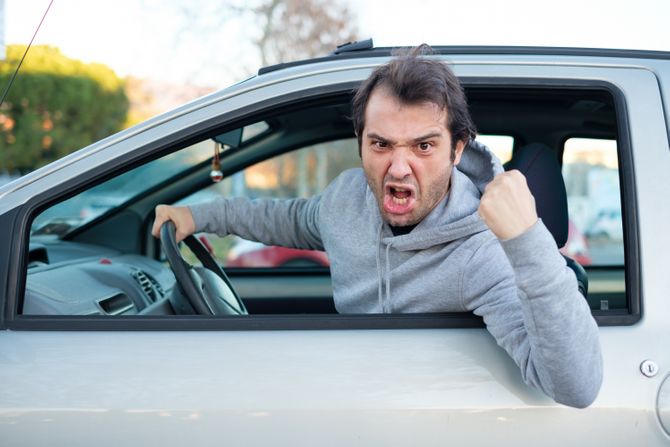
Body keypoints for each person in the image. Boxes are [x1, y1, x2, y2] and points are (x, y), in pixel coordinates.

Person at [152, 45, 602, 408]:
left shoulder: (481, 253)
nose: (399, 168)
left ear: (457, 149)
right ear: (361, 144)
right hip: (353, 399)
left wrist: (526, 239)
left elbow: (576, 387)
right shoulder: (348, 198)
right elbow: (289, 218)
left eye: (423, 146)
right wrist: (199, 216)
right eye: (381, 144)